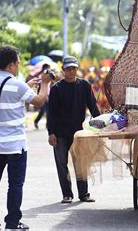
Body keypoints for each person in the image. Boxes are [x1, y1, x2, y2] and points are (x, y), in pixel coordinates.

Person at [0, 45, 52, 231]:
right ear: (11, 65)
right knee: (15, 185)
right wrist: (45, 83)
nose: (19, 66)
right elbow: (39, 100)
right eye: (18, 63)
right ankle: (12, 223)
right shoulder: (17, 85)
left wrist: (26, 87)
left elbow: (8, 96)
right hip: (15, 145)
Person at [47, 56, 101, 204]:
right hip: (59, 133)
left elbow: (93, 106)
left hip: (79, 133)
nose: (71, 71)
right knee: (61, 164)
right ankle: (67, 194)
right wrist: (51, 133)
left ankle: (84, 194)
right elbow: (51, 113)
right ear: (63, 71)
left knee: (81, 164)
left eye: (74, 68)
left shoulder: (84, 85)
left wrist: (101, 123)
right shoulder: (56, 89)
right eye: (68, 69)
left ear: (77, 69)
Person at [34, 63, 51, 129]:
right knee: (42, 110)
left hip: (48, 95)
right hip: (42, 95)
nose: (49, 69)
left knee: (49, 111)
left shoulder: (49, 76)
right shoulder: (40, 76)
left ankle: (47, 125)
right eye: (48, 68)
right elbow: (37, 86)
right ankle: (36, 121)